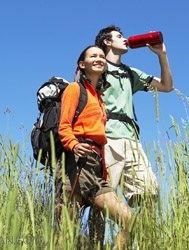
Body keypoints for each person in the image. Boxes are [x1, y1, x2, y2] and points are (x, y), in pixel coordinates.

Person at [90, 25, 174, 244]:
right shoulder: (98, 66)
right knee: (104, 200)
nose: (125, 39)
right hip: (106, 139)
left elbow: (166, 86)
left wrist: (162, 55)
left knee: (149, 194)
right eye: (119, 36)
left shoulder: (129, 73)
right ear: (107, 42)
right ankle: (94, 245)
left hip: (132, 142)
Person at [55, 45, 132, 249]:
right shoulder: (74, 89)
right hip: (75, 164)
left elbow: (100, 139)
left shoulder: (100, 99)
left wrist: (103, 169)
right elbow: (64, 126)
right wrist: (73, 144)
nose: (99, 58)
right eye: (93, 56)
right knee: (66, 233)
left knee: (128, 219)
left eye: (101, 56)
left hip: (96, 168)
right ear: (82, 64)